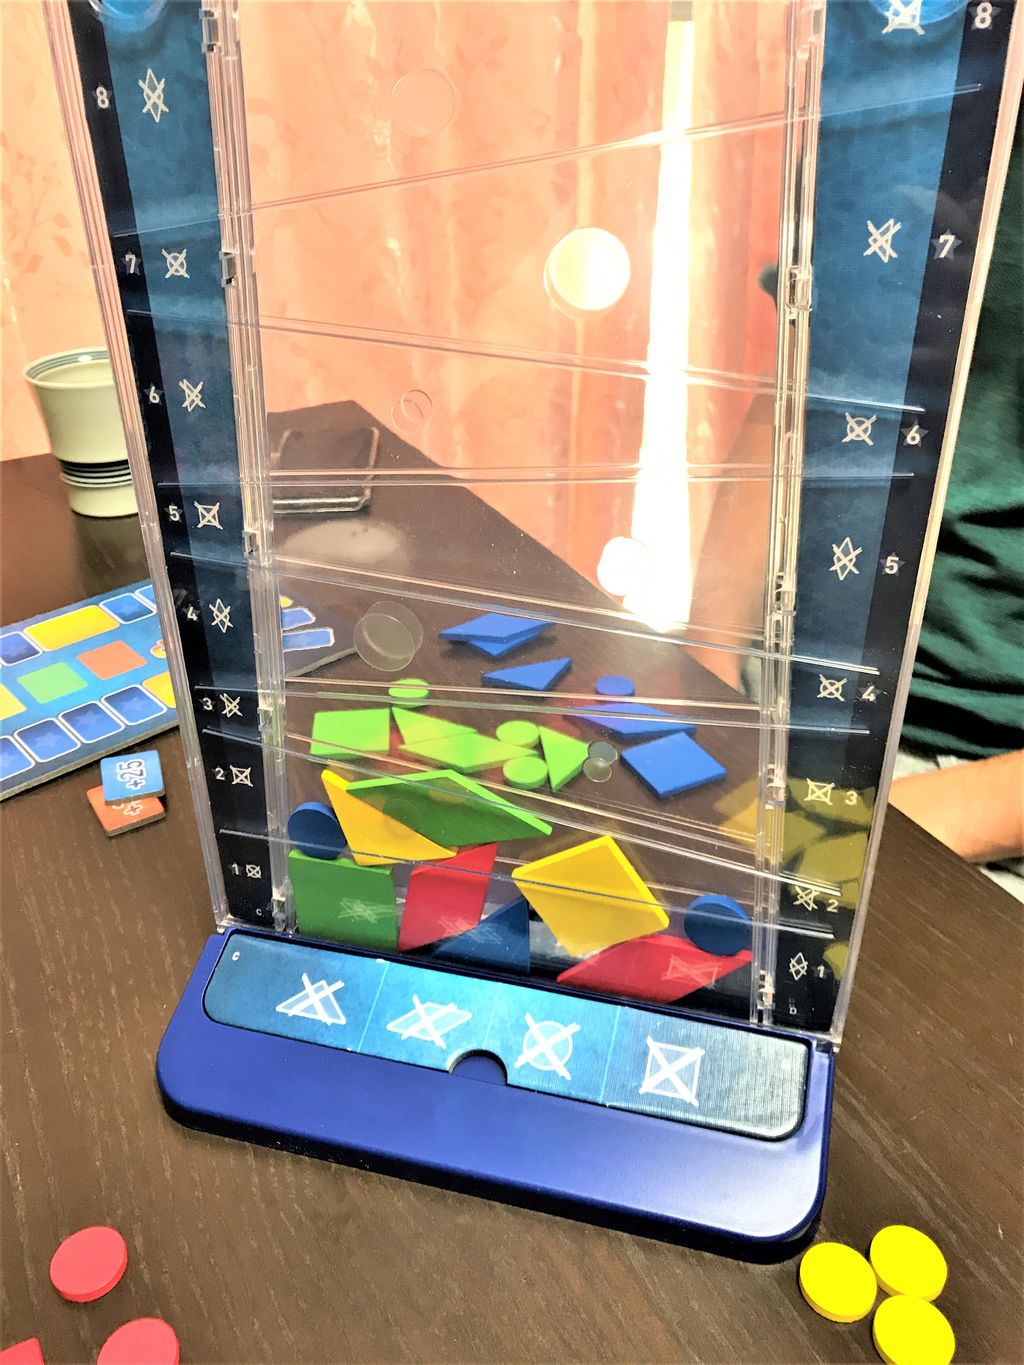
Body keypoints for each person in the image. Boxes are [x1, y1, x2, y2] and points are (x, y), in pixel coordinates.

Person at [889, 122, 1023, 901]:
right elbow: (795, 382)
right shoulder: (926, 93)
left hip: (974, 800)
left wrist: (870, 830)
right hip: (787, 710)